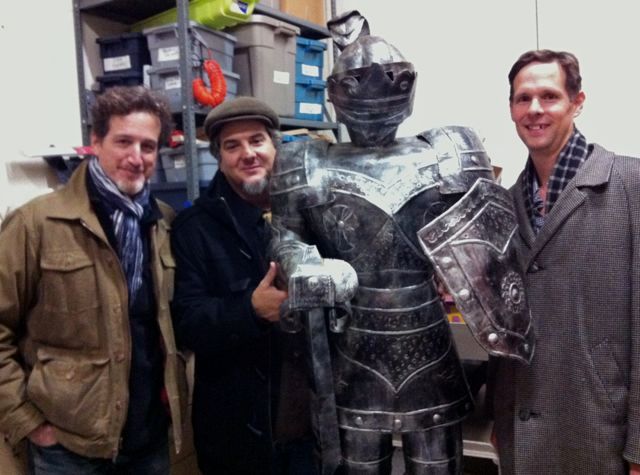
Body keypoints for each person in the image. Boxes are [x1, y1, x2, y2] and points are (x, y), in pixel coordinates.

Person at [269, 10, 533, 475]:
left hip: (426, 332)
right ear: (336, 95)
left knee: (436, 462)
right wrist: (305, 264)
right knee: (360, 463)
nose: (374, 100)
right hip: (352, 337)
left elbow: (490, 247)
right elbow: (285, 233)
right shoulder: (307, 160)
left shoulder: (447, 150)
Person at [0, 85, 188, 474]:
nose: (136, 157)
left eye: (148, 146)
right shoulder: (37, 223)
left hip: (148, 439)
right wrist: (27, 422)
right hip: (68, 447)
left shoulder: (163, 223)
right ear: (96, 142)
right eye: (123, 141)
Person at [491, 49, 640, 474]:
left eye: (549, 96)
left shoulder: (630, 184)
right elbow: (505, 323)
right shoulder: (505, 204)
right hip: (522, 425)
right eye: (523, 98)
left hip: (599, 428)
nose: (534, 109)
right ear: (511, 109)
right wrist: (500, 413)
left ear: (577, 102)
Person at [170, 96, 316, 475]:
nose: (248, 154)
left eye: (256, 140)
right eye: (232, 146)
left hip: (314, 425)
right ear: (219, 158)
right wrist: (250, 310)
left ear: (274, 146)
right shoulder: (195, 229)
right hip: (239, 434)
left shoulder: (314, 213)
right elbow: (186, 324)